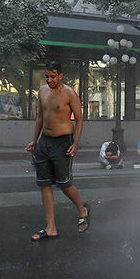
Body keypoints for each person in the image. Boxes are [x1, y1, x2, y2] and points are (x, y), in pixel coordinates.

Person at [25, 61, 90, 240]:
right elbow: (40, 116)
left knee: (64, 183)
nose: (49, 79)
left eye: (53, 76)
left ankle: (82, 209)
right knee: (44, 183)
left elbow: (79, 119)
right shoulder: (42, 91)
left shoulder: (69, 93)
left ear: (60, 75)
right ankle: (51, 227)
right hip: (44, 142)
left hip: (63, 142)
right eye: (47, 76)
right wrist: (34, 140)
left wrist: (75, 144)